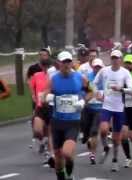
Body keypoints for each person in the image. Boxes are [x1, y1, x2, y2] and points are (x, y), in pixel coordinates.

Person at [45, 51, 88, 180]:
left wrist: (83, 101)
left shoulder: (80, 78)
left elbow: (91, 93)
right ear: (59, 63)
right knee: (58, 157)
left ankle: (70, 169)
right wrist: (48, 97)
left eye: (69, 61)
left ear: (72, 63)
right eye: (64, 62)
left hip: (73, 121)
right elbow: (44, 94)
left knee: (67, 153)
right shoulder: (53, 79)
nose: (67, 64)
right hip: (57, 121)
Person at [93, 50, 132, 172]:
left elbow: (131, 88)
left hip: (119, 108)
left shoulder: (125, 73)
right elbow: (94, 83)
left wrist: (121, 89)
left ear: (120, 59)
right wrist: (97, 94)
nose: (115, 60)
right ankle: (106, 147)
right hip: (107, 105)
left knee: (117, 138)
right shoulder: (104, 70)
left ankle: (115, 160)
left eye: (117, 58)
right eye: (113, 58)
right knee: (104, 130)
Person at [83, 58, 105, 165]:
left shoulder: (105, 77)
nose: (97, 69)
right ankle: (88, 139)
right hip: (88, 107)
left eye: (99, 67)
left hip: (99, 108)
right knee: (86, 131)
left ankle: (92, 154)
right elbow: (83, 90)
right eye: (96, 67)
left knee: (94, 131)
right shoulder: (87, 77)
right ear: (93, 67)